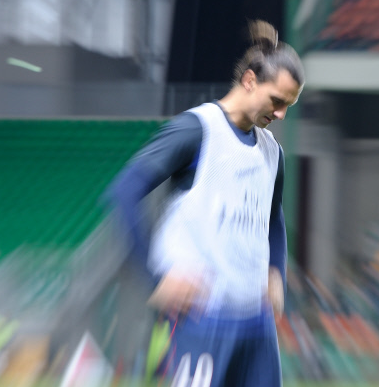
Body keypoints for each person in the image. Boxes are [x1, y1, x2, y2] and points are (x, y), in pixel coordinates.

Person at [105, 19, 304, 387]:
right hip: (200, 321)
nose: (281, 114)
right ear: (249, 80)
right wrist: (154, 279)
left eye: (289, 105)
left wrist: (276, 270)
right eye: (277, 101)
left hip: (257, 326)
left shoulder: (273, 153)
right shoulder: (197, 129)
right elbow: (125, 191)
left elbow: (273, 219)